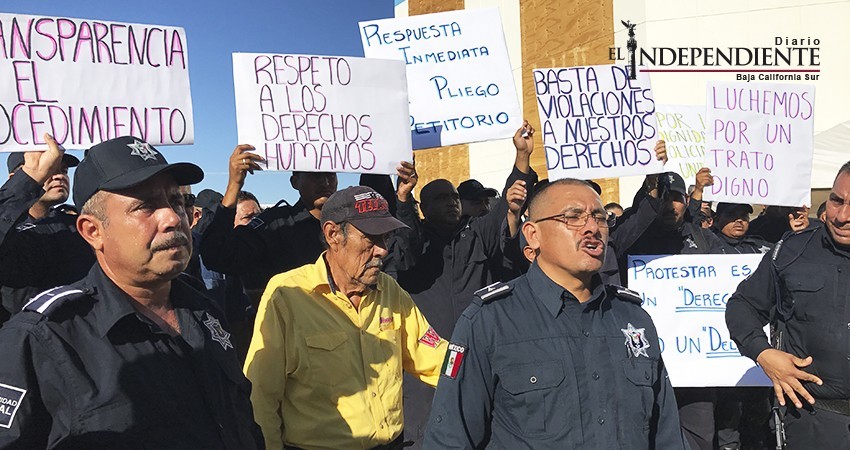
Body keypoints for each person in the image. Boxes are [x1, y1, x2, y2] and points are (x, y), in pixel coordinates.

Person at [0, 135, 263, 448]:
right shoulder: (41, 340)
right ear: (93, 231)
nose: (171, 217)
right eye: (145, 206)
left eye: (176, 201)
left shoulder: (205, 310)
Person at [423, 178, 688, 449]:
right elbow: (449, 439)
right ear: (533, 234)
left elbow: (667, 434)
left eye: (599, 217)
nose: (591, 228)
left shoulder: (633, 319)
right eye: (573, 217)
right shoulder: (491, 321)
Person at [244, 186, 448, 450]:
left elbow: (435, 357)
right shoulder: (288, 295)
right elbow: (261, 396)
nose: (383, 251)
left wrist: (485, 368)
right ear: (332, 234)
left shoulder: (391, 291)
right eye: (371, 238)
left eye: (386, 238)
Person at [390, 122, 538, 446]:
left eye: (454, 196)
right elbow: (403, 249)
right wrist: (404, 197)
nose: (451, 202)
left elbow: (506, 207)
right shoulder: (415, 242)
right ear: (425, 209)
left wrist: (522, 156)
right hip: (425, 373)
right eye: (441, 198)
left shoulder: (477, 235)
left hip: (478, 361)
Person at [726, 161, 850, 448]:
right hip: (813, 421)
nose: (842, 216)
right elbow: (742, 305)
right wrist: (763, 353)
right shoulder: (792, 251)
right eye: (836, 200)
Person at [623, 171, 725, 450]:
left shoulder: (705, 241)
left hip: (694, 364)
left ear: (686, 200)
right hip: (643, 364)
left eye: (678, 198)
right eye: (665, 198)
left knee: (700, 436)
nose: (671, 205)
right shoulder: (633, 237)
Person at [0, 146, 93, 324]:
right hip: (26, 341)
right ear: (16, 178)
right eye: (49, 169)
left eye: (63, 171)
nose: (59, 176)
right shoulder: (10, 229)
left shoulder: (78, 224)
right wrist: (26, 183)